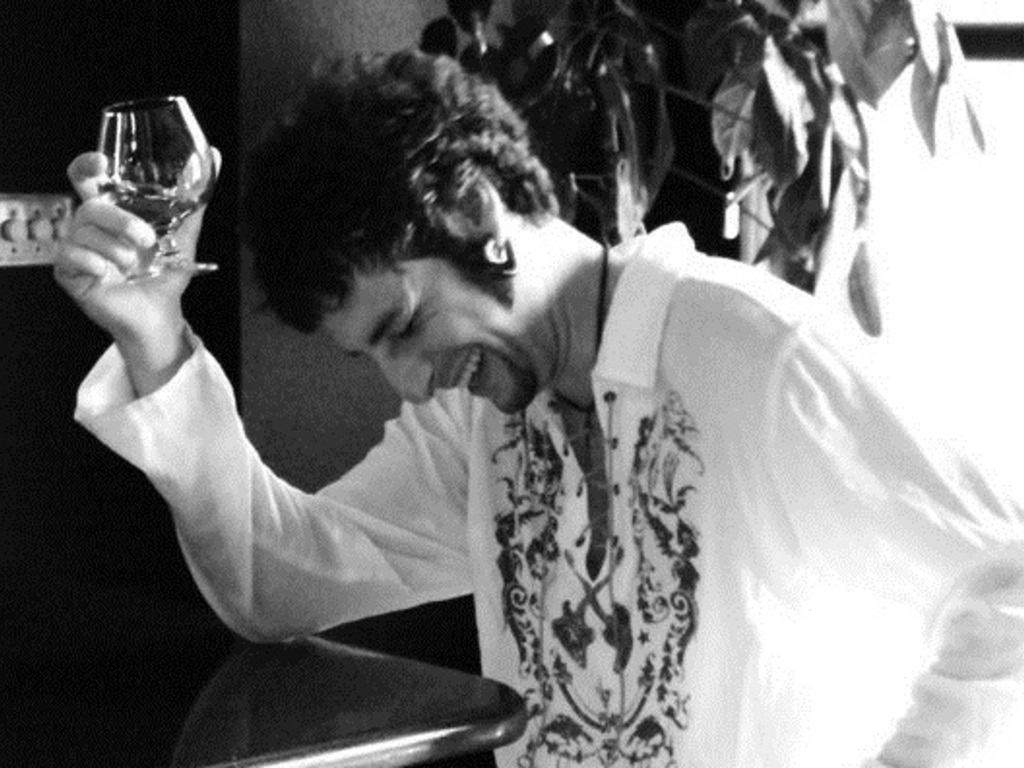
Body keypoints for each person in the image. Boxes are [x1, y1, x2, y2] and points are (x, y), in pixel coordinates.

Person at [55, 49, 1024, 767]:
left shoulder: (760, 353)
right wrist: (155, 336)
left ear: (478, 216)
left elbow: (1011, 586)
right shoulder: (478, 422)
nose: (409, 383)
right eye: (372, 355)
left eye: (405, 325)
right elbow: (279, 584)